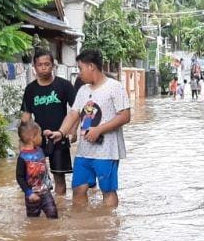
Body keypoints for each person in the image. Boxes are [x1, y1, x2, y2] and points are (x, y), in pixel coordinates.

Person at [45, 49, 130, 208]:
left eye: (80, 68)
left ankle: (108, 226)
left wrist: (99, 130)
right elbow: (73, 113)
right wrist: (61, 132)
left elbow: (125, 116)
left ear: (91, 66)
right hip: (85, 151)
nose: (79, 73)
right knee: (78, 189)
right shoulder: (83, 90)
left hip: (107, 151)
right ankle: (82, 227)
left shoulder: (115, 87)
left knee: (108, 191)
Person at [20, 49, 75, 195]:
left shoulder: (64, 85)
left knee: (59, 176)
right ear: (34, 66)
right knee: (35, 176)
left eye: (47, 64)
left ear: (53, 66)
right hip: (37, 140)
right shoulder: (30, 89)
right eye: (40, 65)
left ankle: (59, 208)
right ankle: (43, 205)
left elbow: (76, 110)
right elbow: (26, 117)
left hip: (59, 136)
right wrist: (24, 142)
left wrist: (72, 132)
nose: (43, 67)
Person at [15, 121, 58, 219]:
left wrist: (50, 138)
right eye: (40, 135)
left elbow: (49, 152)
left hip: (45, 192)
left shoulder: (40, 150)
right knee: (33, 219)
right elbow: (19, 177)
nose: (41, 138)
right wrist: (29, 193)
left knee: (53, 214)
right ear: (32, 138)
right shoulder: (22, 157)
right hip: (32, 195)